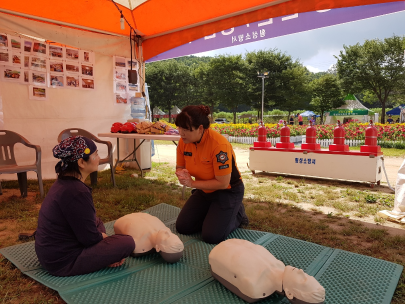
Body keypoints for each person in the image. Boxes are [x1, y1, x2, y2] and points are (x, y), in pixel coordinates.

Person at [35, 136, 135, 276]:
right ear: (81, 162)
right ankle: (106, 253)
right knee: (127, 242)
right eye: (96, 155)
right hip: (63, 262)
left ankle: (104, 250)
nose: (99, 158)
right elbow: (90, 239)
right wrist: (106, 242)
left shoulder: (64, 183)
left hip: (50, 255)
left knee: (96, 220)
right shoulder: (77, 191)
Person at [175, 105, 248, 244]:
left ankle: (238, 213)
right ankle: (214, 213)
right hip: (204, 190)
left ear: (200, 128)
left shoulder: (219, 145)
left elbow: (223, 183)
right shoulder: (184, 142)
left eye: (185, 129)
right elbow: (180, 166)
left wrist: (191, 183)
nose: (181, 133)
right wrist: (181, 174)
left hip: (227, 191)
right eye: (179, 128)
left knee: (211, 236)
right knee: (183, 227)